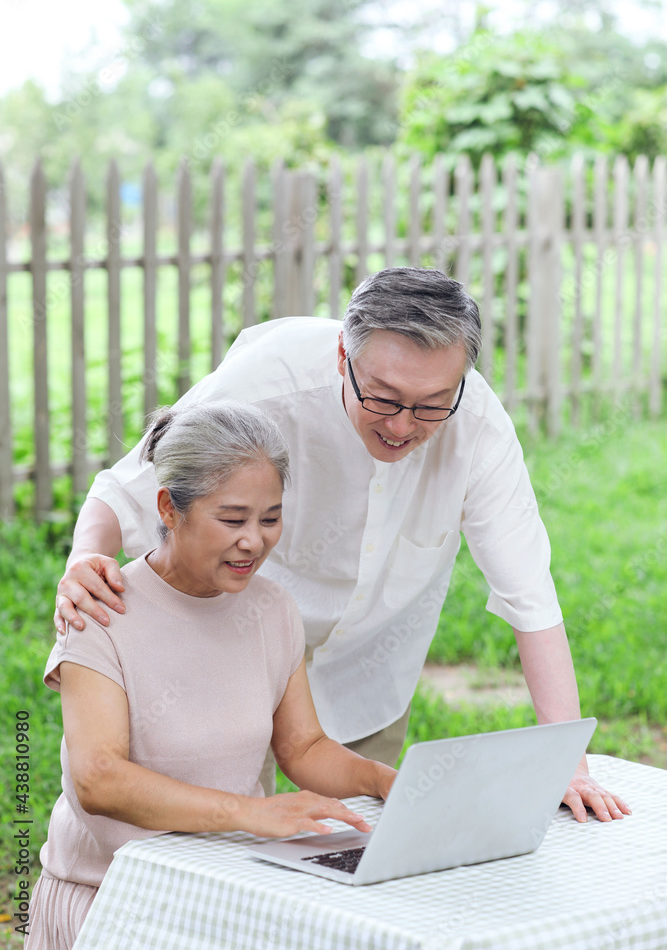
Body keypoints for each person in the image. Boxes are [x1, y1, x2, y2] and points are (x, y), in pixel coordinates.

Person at [54, 266, 630, 824]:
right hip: (241, 649)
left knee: (348, 850)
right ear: (342, 357)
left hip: (374, 665)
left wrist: (569, 764)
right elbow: (130, 486)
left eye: (431, 405)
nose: (403, 426)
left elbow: (529, 593)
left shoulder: (477, 425)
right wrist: (85, 558)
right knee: (221, 828)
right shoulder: (270, 380)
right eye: (383, 398)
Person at [27, 402, 396, 950]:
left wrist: (384, 781)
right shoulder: (101, 611)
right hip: (112, 903)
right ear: (169, 510)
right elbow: (98, 778)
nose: (254, 540)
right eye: (232, 519)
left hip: (224, 898)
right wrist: (251, 814)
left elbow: (304, 746)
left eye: (269, 518)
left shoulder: (271, 609)